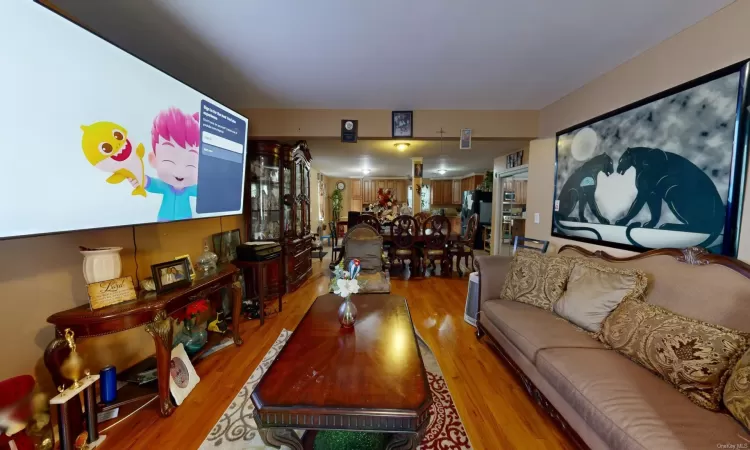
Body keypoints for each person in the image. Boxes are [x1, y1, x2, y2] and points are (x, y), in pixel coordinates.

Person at [130, 108, 200, 221]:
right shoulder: (164, 186)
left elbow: (204, 192)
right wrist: (139, 178)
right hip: (164, 222)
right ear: (153, 160)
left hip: (186, 224)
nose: (181, 170)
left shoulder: (190, 188)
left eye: (190, 163)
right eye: (171, 161)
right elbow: (151, 184)